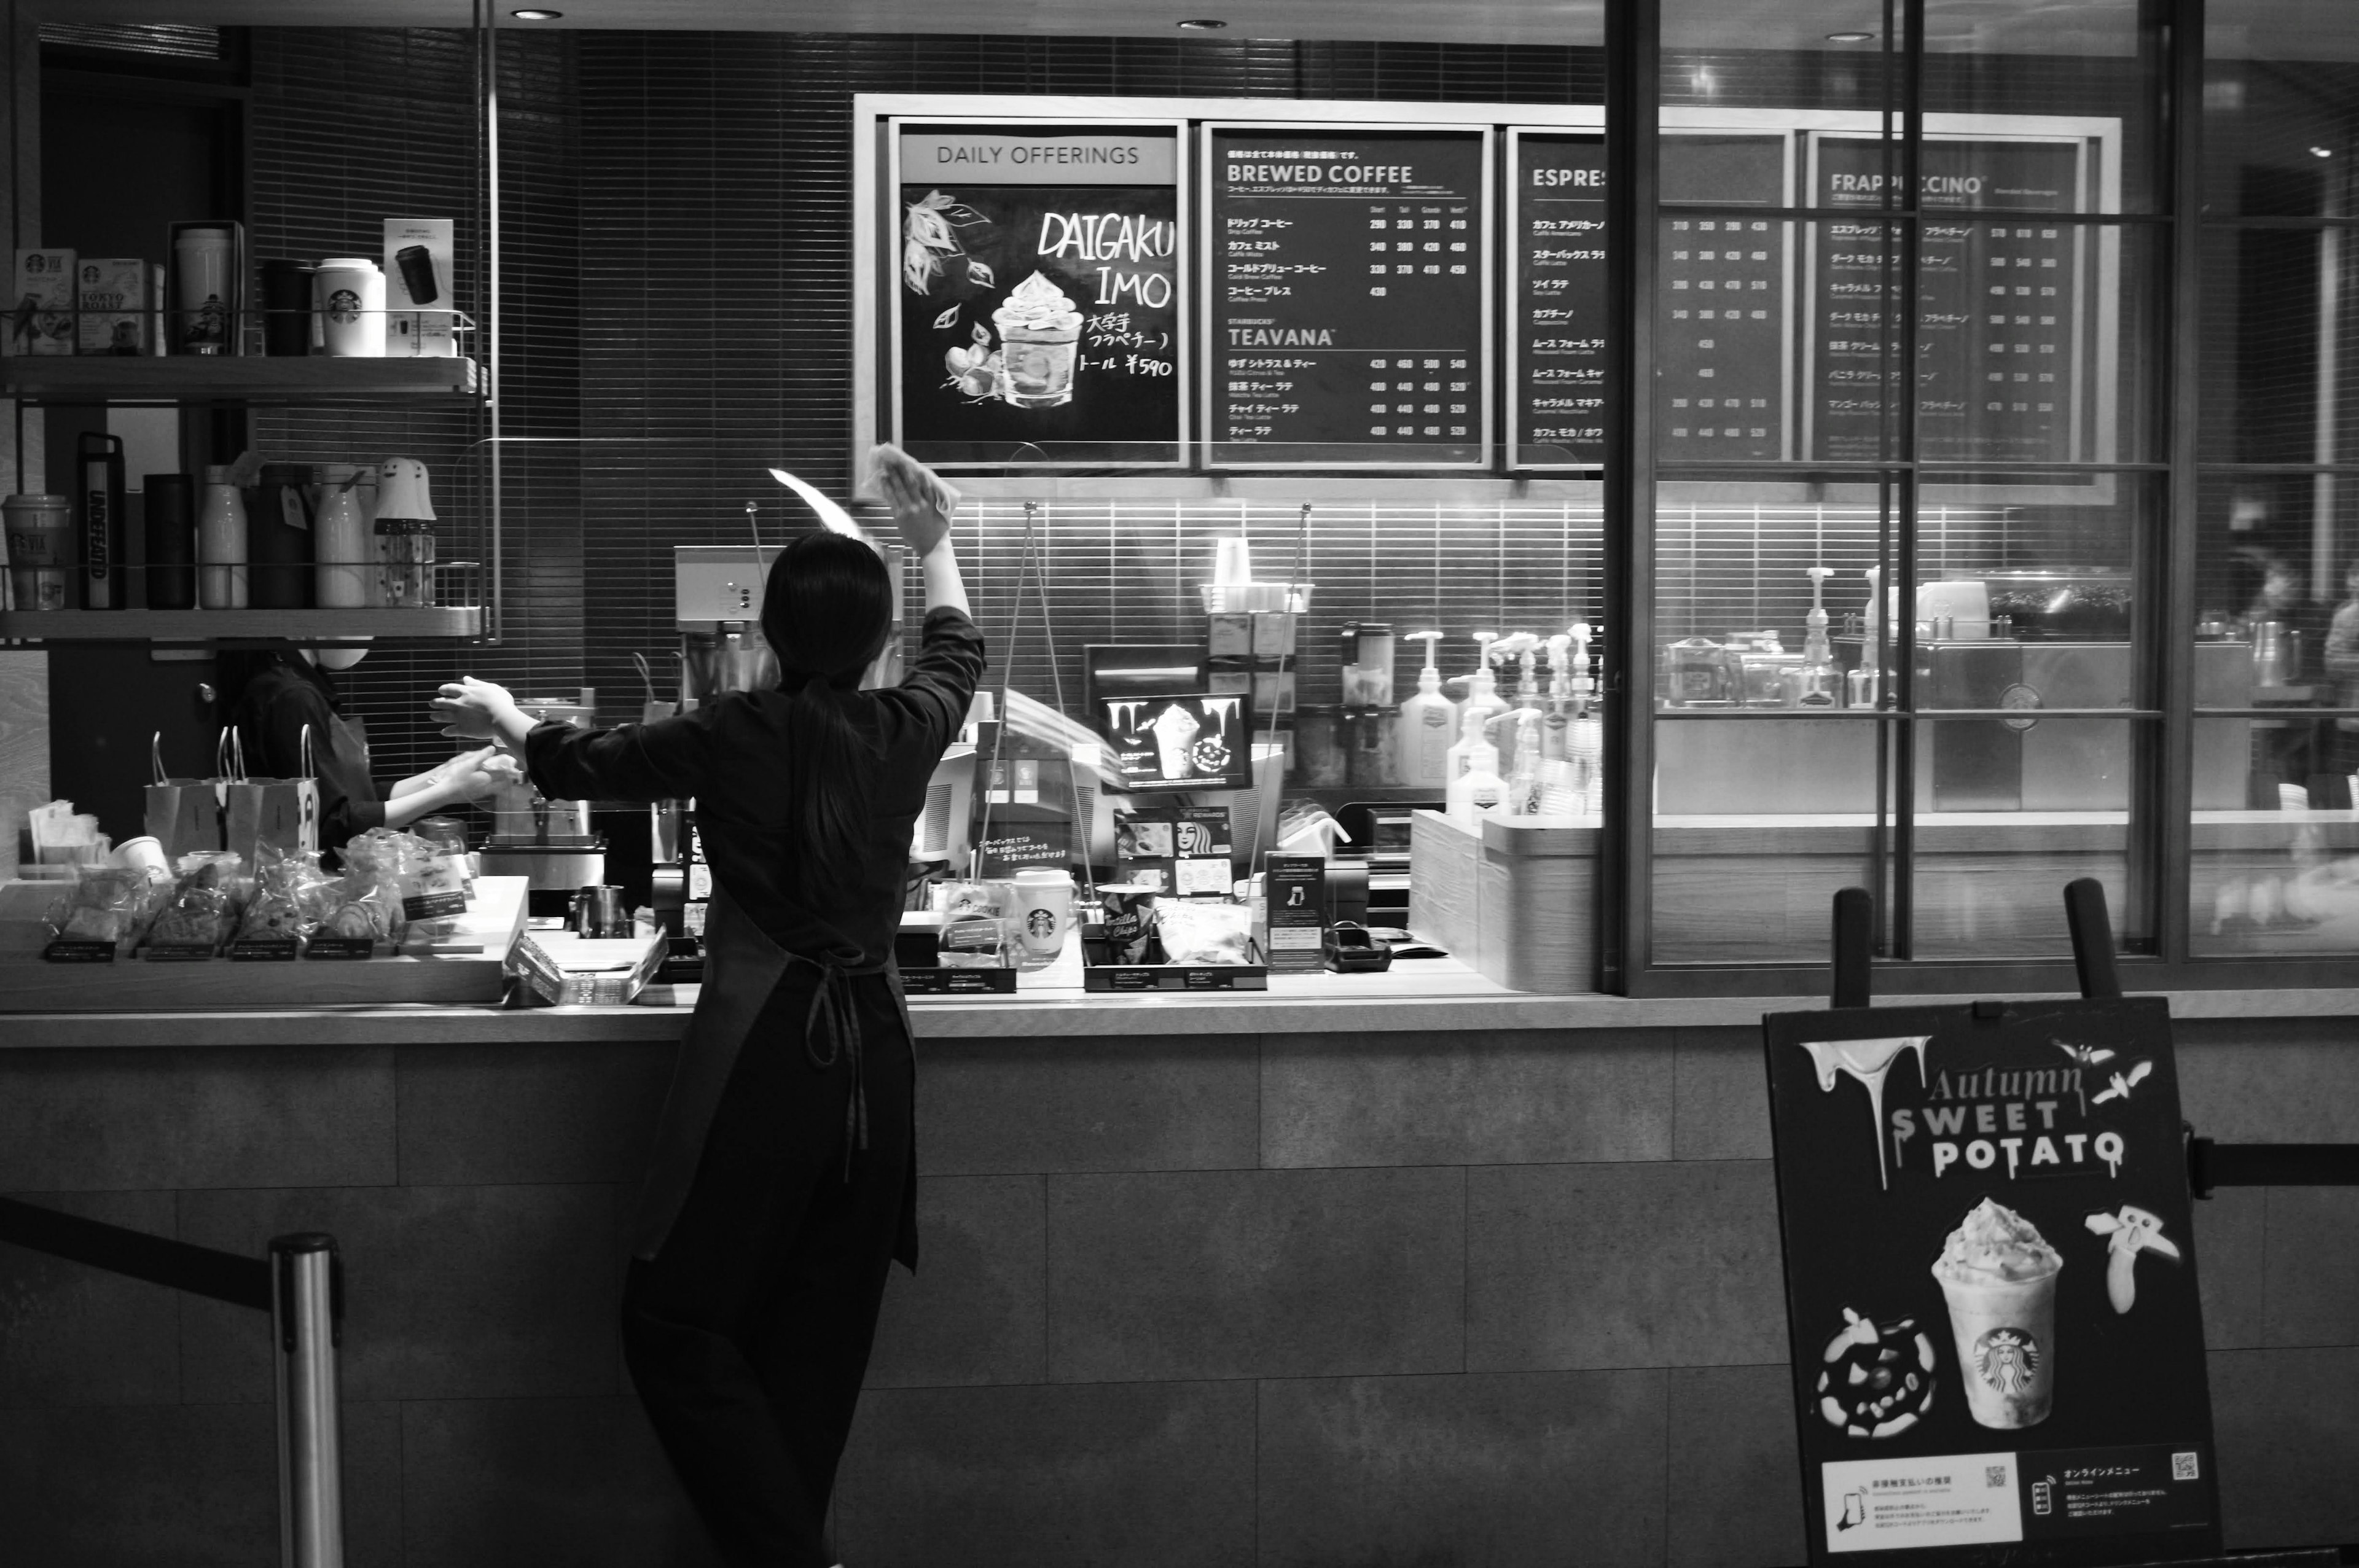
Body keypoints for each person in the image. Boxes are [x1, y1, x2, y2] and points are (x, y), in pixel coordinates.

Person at [431, 447, 982, 1568]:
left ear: (771, 633)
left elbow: (581, 762)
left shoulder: (733, 732)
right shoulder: (905, 728)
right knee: (821, 1341)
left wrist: (498, 709)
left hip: (769, 1052)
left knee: (672, 1322)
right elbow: (958, 651)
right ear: (878, 642)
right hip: (873, 1056)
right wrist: (934, 545)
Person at [221, 646, 513, 849]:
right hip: (306, 885)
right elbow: (334, 827)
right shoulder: (292, 698)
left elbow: (355, 798)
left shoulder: (300, 685)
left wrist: (444, 774)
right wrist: (448, 791)